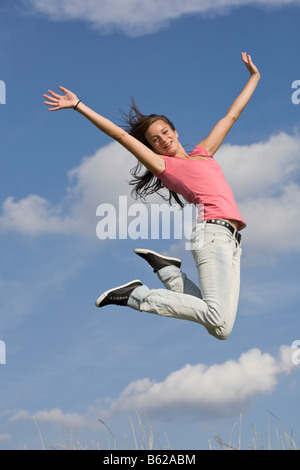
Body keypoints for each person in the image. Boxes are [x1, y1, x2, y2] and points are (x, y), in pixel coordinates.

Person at [44, 52, 260, 340]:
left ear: (175, 130)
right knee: (217, 318)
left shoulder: (203, 153)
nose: (164, 140)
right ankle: (137, 295)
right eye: (155, 140)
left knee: (220, 328)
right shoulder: (164, 166)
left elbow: (230, 116)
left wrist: (255, 77)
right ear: (153, 149)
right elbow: (121, 137)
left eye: (165, 132)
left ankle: (170, 273)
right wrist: (79, 106)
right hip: (212, 235)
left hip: (233, 241)